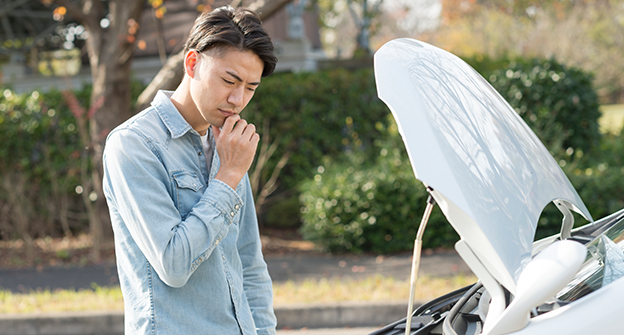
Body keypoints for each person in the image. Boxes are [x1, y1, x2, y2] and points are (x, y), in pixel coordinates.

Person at [102, 6, 278, 334]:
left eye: (251, 88)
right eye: (229, 80)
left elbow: (250, 265)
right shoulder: (134, 145)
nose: (238, 99)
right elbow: (173, 264)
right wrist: (227, 176)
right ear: (192, 64)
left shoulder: (227, 144)